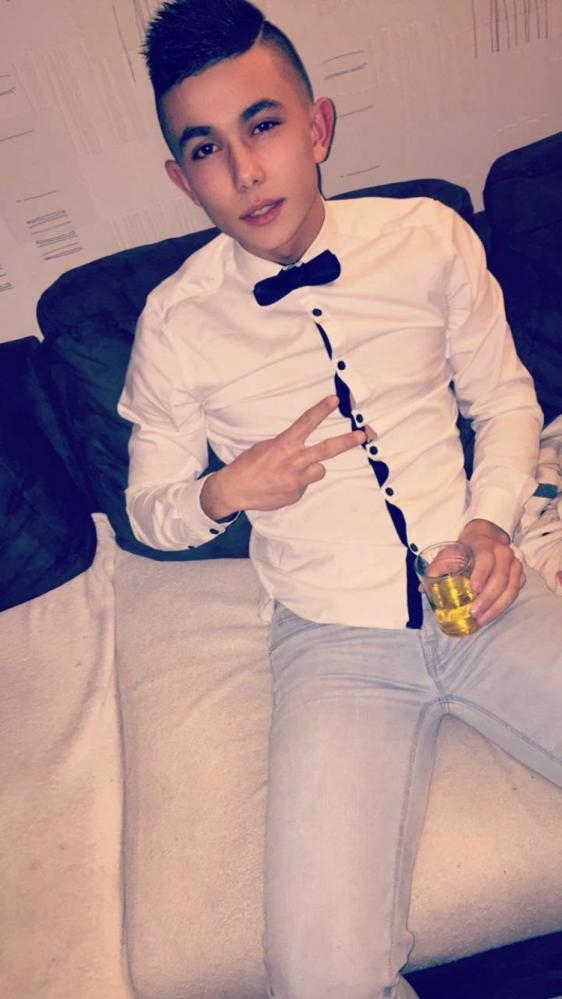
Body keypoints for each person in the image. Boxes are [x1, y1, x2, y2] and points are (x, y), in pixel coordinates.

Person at [118, 1, 562, 996]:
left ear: (316, 127)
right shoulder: (176, 324)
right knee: (317, 974)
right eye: (206, 148)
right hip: (332, 648)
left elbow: (504, 399)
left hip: (485, 591)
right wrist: (226, 490)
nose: (244, 171)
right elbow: (149, 507)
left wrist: (490, 523)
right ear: (181, 177)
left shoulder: (429, 238)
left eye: (263, 124)